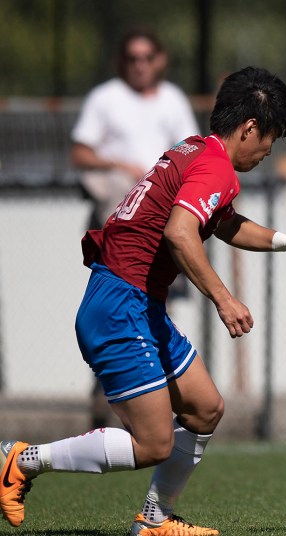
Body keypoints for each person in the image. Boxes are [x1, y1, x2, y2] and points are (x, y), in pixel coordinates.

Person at [0, 66, 286, 535]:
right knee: (154, 443)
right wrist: (224, 299)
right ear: (249, 128)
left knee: (205, 407)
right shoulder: (215, 167)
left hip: (134, 303)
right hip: (121, 307)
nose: (269, 150)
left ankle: (155, 522)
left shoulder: (194, 150)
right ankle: (22, 460)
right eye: (271, 138)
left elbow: (221, 223)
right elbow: (181, 233)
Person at [71, 27, 200, 429]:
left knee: (158, 305)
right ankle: (107, 403)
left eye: (147, 58)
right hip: (120, 216)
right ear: (121, 62)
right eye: (132, 58)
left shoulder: (173, 99)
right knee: (114, 306)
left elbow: (190, 154)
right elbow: (81, 151)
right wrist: (120, 168)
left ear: (159, 59)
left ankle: (152, 396)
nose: (140, 66)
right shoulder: (105, 98)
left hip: (160, 224)